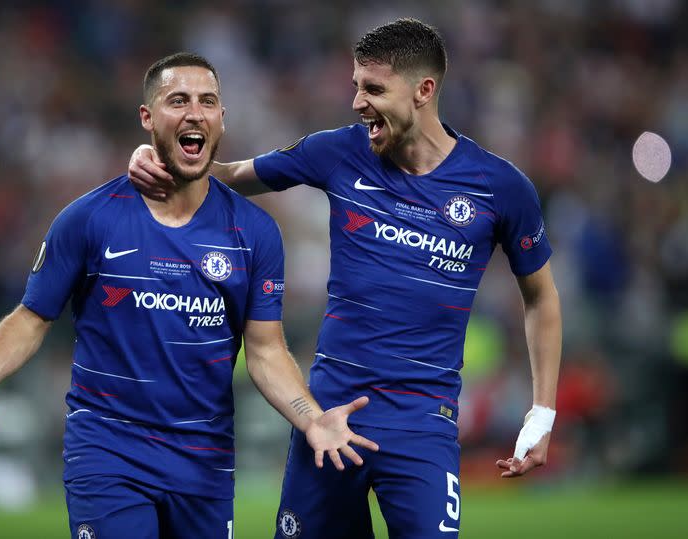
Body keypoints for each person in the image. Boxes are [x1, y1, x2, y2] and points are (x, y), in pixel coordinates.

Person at [128, 19, 562, 539]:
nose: (358, 102)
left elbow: (540, 297)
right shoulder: (338, 152)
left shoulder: (501, 187)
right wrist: (158, 157)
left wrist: (541, 412)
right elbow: (229, 177)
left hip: (423, 424)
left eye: (374, 89)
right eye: (356, 85)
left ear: (424, 91)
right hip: (330, 416)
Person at [0, 52, 378, 539]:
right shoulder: (89, 219)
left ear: (221, 118)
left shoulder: (255, 233)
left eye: (208, 101)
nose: (195, 112)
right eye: (178, 100)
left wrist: (311, 420)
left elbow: (264, 350)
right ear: (147, 117)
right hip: (109, 450)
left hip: (203, 462)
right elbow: (32, 318)